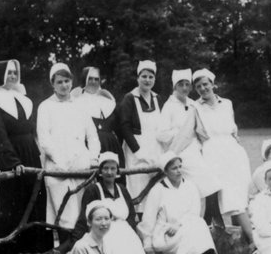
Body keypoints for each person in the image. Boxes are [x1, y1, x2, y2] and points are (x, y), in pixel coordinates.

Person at [0, 59, 48, 252]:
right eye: (9, 73)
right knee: (12, 207)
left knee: (32, 203)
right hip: (8, 158)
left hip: (29, 154)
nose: (13, 76)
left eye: (15, 73)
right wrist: (12, 161)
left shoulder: (22, 98)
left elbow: (31, 132)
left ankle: (35, 252)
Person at [76, 152, 156, 254]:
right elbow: (84, 219)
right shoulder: (93, 190)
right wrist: (75, 242)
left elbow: (131, 216)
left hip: (127, 237)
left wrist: (136, 238)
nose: (109, 172)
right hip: (106, 236)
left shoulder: (122, 189)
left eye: (113, 168)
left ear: (118, 171)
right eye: (105, 168)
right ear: (100, 171)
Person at [37, 63, 99, 238]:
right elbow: (44, 140)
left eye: (67, 81)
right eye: (59, 82)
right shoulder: (45, 107)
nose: (64, 85)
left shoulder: (80, 105)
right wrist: (61, 161)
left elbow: (93, 136)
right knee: (65, 217)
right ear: (52, 84)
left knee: (84, 214)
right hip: (58, 168)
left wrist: (93, 158)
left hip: (82, 166)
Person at [193, 68, 254, 242]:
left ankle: (242, 241)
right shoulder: (195, 106)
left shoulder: (227, 103)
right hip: (213, 153)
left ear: (213, 84)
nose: (203, 89)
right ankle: (251, 240)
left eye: (205, 84)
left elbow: (232, 126)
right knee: (227, 197)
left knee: (239, 196)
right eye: (198, 87)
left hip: (233, 152)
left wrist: (235, 138)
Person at [139, 151, 217, 254]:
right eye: (174, 168)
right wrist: (147, 244)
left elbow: (194, 213)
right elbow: (148, 219)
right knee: (195, 229)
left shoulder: (190, 186)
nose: (179, 171)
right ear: (165, 171)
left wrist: (179, 225)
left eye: (180, 167)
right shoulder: (157, 190)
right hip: (166, 234)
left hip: (186, 227)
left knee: (199, 224)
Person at [156, 68, 219, 202]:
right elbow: (161, 135)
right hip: (180, 152)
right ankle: (210, 218)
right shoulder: (169, 106)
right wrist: (180, 132)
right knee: (206, 182)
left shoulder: (193, 104)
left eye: (187, 84)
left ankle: (210, 218)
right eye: (181, 84)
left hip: (196, 149)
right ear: (175, 86)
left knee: (213, 179)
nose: (184, 88)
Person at [116, 60, 165, 201]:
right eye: (144, 76)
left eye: (151, 77)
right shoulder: (129, 98)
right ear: (138, 78)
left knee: (156, 186)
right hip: (136, 149)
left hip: (156, 147)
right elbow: (124, 127)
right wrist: (138, 152)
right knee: (137, 184)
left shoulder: (157, 98)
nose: (147, 80)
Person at [73, 66, 122, 162]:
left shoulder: (108, 101)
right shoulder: (76, 101)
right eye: (90, 79)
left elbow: (119, 128)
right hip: (88, 147)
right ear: (84, 79)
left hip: (111, 147)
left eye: (96, 79)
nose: (93, 82)